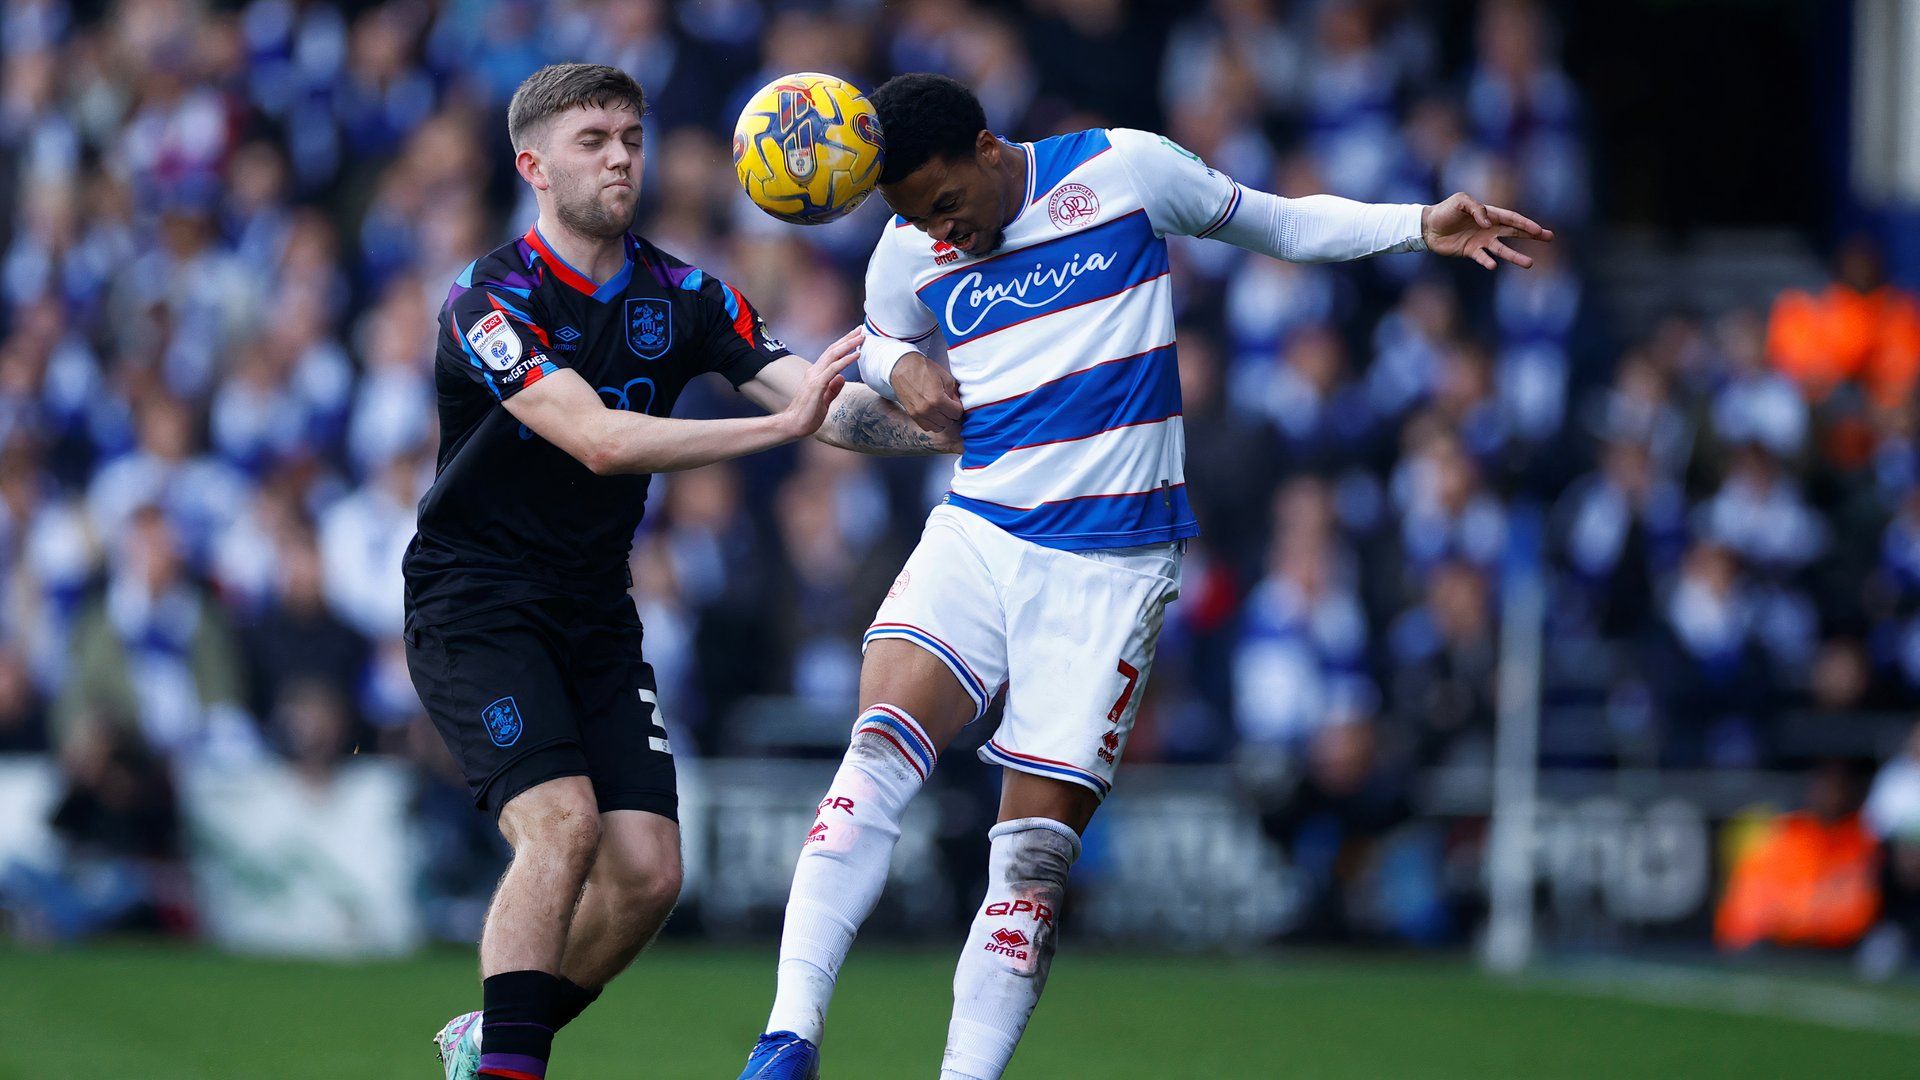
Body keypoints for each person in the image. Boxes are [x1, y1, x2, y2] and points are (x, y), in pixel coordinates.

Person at [738, 72, 1552, 1080]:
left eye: (947, 204)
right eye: (918, 220)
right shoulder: (909, 248)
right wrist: (898, 368)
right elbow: (882, 340)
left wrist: (1418, 223)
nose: (945, 233)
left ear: (989, 150)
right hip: (981, 531)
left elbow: (1280, 226)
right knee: (872, 764)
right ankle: (786, 1042)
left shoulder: (1123, 170)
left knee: (1030, 864)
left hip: (1111, 572)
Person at [406, 64, 952, 1080]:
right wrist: (771, 429)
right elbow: (599, 441)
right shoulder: (487, 300)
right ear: (532, 165)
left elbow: (823, 405)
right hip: (475, 600)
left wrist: (961, 430)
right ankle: (509, 1070)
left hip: (593, 608)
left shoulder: (685, 292)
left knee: (650, 874)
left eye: (630, 137)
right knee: (561, 827)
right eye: (592, 140)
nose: (620, 156)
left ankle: (494, 1035)